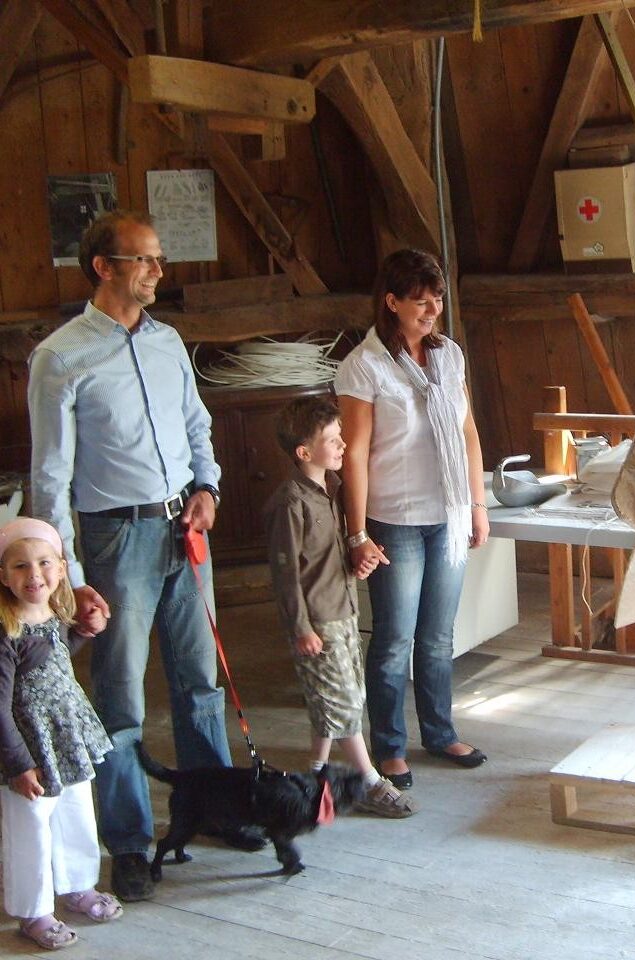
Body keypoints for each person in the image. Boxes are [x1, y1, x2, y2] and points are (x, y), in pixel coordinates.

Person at [27, 211, 262, 905]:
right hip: (113, 539)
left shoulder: (167, 342)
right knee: (120, 698)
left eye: (159, 258)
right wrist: (66, 577)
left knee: (200, 683)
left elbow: (197, 424)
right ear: (103, 266)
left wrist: (210, 486)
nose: (160, 271)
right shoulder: (60, 357)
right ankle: (128, 843)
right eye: (145, 260)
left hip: (183, 529)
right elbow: (49, 477)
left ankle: (213, 809)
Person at [335, 248, 489, 791]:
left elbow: (467, 432)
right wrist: (357, 532)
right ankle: (390, 747)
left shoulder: (449, 357)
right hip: (394, 518)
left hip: (447, 513)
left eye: (437, 301)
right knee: (395, 638)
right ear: (392, 302)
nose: (430, 313)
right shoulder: (364, 365)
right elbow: (354, 454)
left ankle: (440, 732)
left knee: (438, 637)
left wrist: (477, 502)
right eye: (419, 303)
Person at [263, 395, 415, 818]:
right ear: (304, 452)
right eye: (332, 440)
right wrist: (301, 627)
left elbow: (330, 557)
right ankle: (368, 780)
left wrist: (358, 563)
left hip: (344, 610)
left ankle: (314, 775)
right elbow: (286, 574)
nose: (343, 446)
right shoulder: (291, 503)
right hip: (318, 621)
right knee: (344, 702)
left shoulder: (332, 490)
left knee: (335, 697)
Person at [0, 518, 123, 950]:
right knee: (31, 825)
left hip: (66, 735)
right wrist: (17, 763)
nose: (34, 575)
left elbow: (52, 660)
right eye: (19, 566)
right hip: (29, 745)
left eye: (44, 563)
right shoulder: (7, 629)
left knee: (75, 812)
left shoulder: (54, 614)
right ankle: (33, 910)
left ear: (61, 568)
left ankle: (77, 885)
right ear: (2, 575)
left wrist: (82, 632)